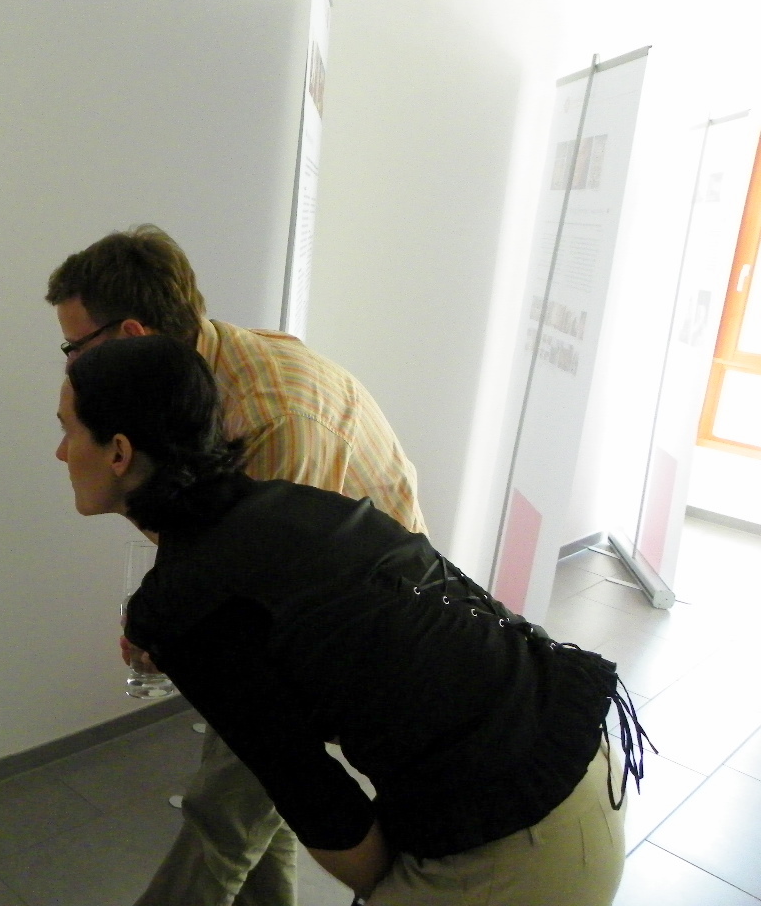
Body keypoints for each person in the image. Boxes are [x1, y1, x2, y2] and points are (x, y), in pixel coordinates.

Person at [55, 335, 650, 906]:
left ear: (119, 452)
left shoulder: (187, 599)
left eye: (68, 430)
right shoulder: (288, 504)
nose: (60, 452)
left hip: (524, 838)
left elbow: (315, 799)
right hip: (585, 753)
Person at [47, 225, 425, 906]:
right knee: (257, 785)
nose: (69, 367)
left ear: (130, 334)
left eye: (74, 347)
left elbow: (260, 590)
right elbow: (203, 535)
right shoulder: (188, 376)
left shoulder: (270, 416)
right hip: (294, 607)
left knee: (225, 814)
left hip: (356, 628)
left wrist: (168, 623)